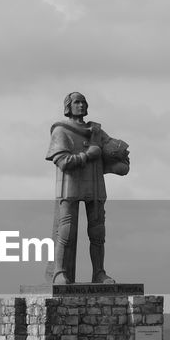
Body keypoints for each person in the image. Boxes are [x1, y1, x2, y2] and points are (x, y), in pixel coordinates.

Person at [45, 91, 128, 284]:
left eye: (83, 102)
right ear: (68, 106)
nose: (81, 106)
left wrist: (119, 160)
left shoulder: (96, 131)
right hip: (70, 185)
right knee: (65, 230)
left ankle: (99, 272)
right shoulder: (61, 131)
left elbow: (110, 151)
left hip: (95, 185)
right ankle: (59, 272)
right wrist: (87, 155)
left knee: (97, 232)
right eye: (76, 102)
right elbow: (63, 161)